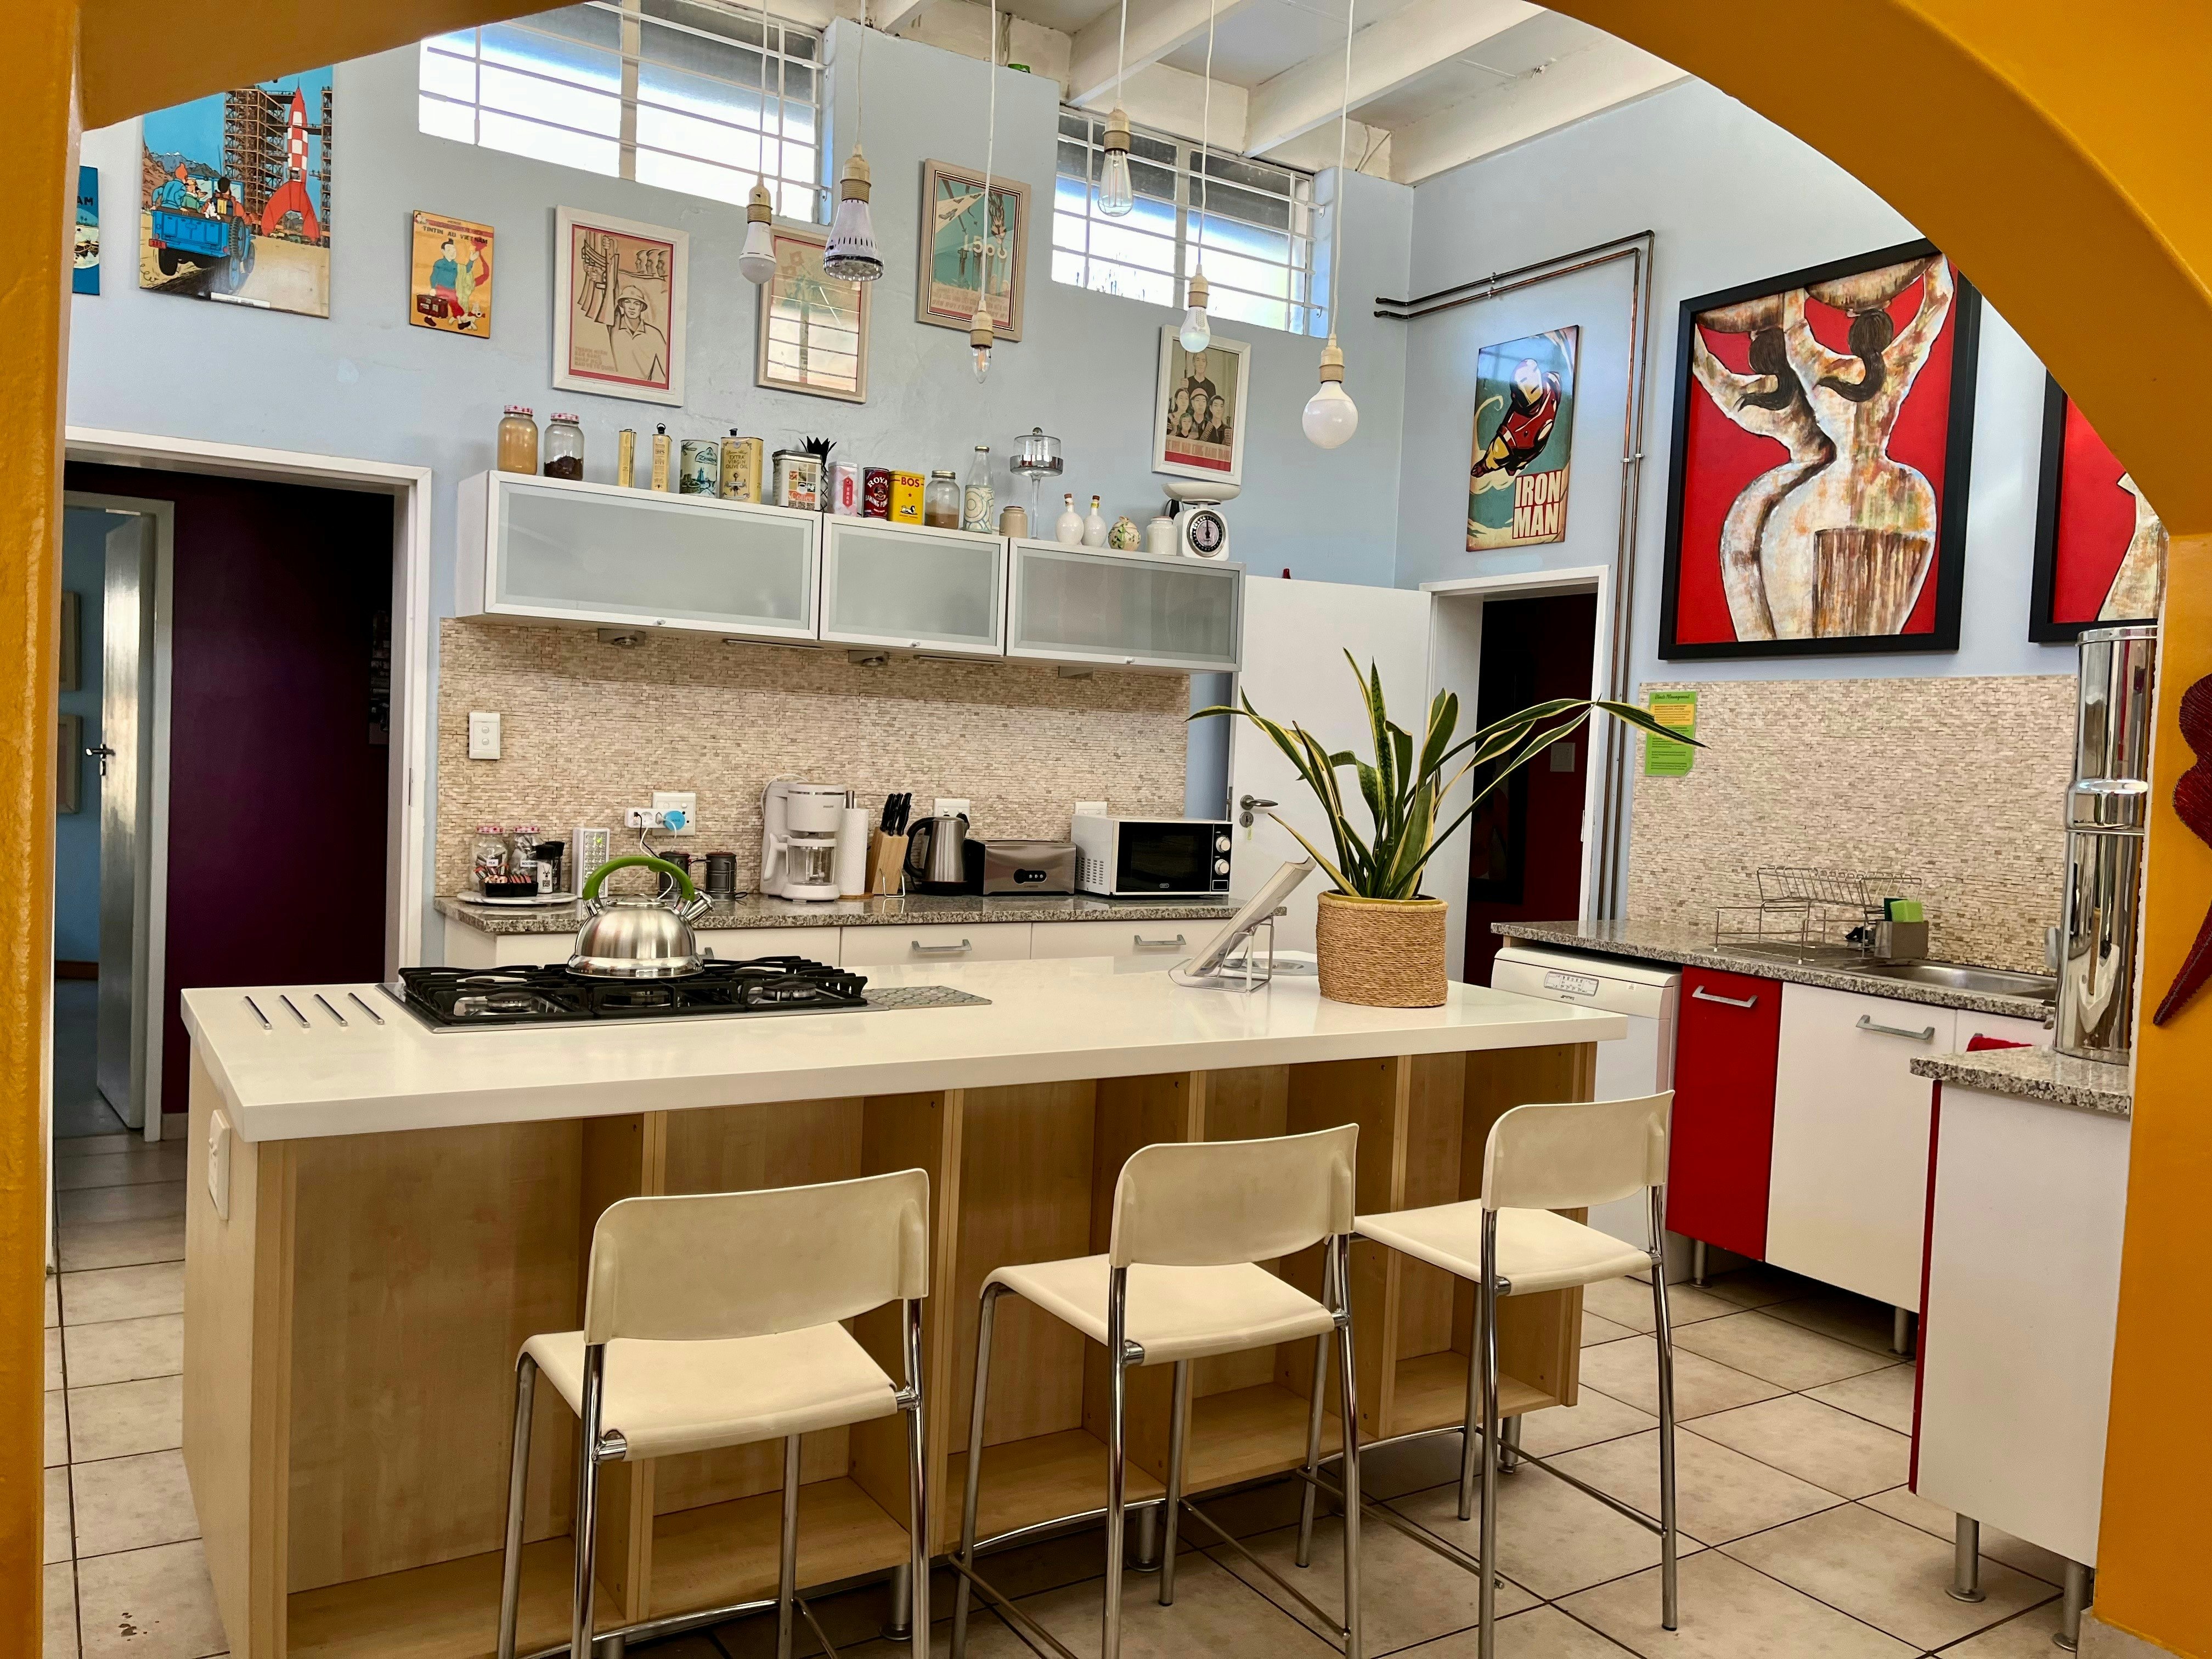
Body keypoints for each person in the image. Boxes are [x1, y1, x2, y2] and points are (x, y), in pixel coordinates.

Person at [610, 283, 668, 386]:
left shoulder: (654, 334)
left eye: (636, 304)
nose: (632, 307)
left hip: (642, 389)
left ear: (642, 307)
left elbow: (668, 369)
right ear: (622, 305)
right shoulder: (612, 330)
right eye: (628, 302)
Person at [428, 237, 462, 316]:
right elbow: (434, 276)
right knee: (437, 304)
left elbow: (465, 271)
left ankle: (460, 320)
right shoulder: (439, 263)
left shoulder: (456, 265)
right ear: (443, 252)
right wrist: (433, 288)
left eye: (454, 250)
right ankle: (429, 317)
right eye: (449, 250)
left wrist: (471, 261)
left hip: (452, 290)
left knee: (455, 305)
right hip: (441, 288)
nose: (453, 252)